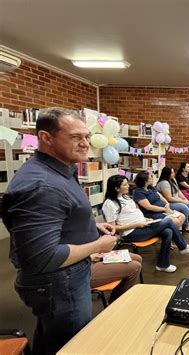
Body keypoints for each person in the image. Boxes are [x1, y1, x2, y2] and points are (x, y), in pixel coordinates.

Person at [2, 107, 118, 354]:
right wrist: (99, 245)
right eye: (76, 137)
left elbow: (61, 214)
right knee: (69, 345)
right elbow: (44, 257)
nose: (86, 144)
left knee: (52, 337)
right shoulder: (42, 186)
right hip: (59, 283)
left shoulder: (61, 169)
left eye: (86, 136)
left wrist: (90, 225)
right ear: (46, 138)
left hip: (68, 276)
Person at [102, 175, 189, 273]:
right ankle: (183, 246)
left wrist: (146, 219)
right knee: (168, 221)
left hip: (143, 225)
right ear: (117, 188)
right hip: (132, 233)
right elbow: (113, 228)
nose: (128, 186)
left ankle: (162, 265)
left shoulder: (125, 196)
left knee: (168, 231)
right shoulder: (110, 204)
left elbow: (133, 212)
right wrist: (137, 225)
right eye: (125, 185)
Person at [157, 166, 189, 232]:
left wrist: (185, 199)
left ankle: (182, 224)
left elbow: (178, 191)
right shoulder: (164, 183)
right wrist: (182, 201)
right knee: (185, 208)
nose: (173, 174)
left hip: (175, 200)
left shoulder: (173, 179)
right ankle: (186, 225)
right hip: (167, 203)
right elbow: (169, 198)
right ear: (167, 174)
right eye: (172, 173)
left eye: (173, 172)